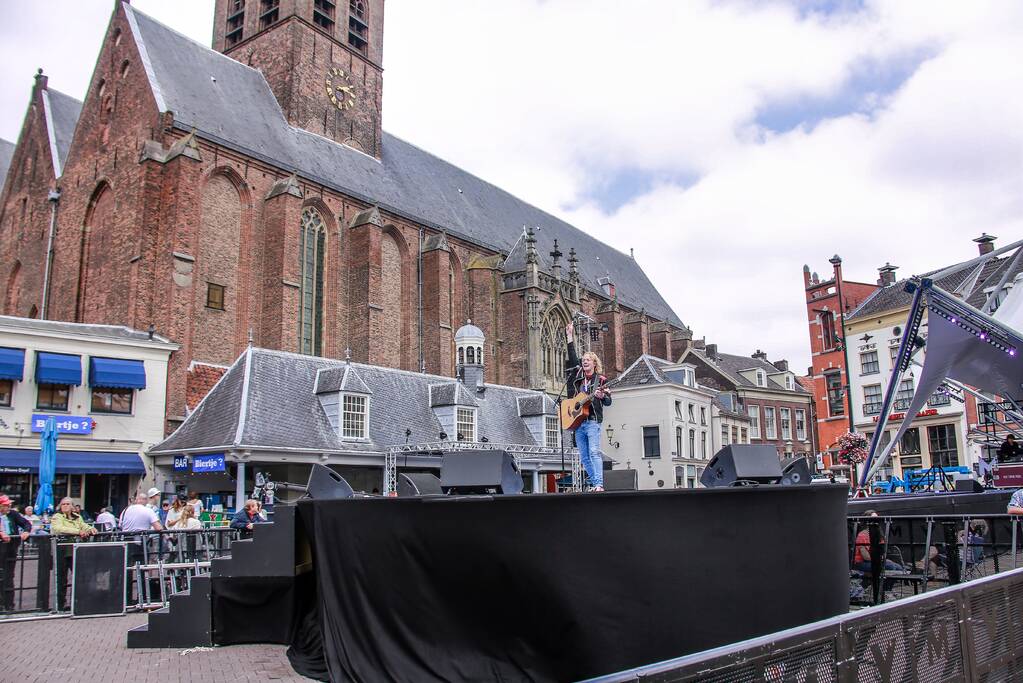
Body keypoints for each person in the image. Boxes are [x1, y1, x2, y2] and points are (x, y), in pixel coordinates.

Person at [565, 322, 612, 492]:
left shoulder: (600, 380)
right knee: (584, 457)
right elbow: (571, 355)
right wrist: (570, 335)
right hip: (579, 422)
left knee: (594, 452)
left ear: (594, 363)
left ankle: (599, 484)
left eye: (587, 360)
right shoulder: (578, 378)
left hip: (592, 421)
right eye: (583, 360)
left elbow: (608, 402)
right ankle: (595, 483)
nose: (584, 362)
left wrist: (602, 396)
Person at [49, 497, 96, 610]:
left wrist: (91, 529)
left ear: (72, 506)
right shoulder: (57, 517)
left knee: (78, 577)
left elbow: (84, 526)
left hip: (75, 549)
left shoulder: (77, 517)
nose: (65, 506)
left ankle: (77, 602)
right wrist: (78, 532)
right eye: (63, 504)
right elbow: (59, 528)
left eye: (67, 504)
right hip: (61, 550)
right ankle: (60, 604)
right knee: (61, 578)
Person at [0, 494, 32, 612]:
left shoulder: (13, 514)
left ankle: (9, 604)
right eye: (5, 505)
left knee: (9, 575)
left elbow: (26, 523)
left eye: (9, 505)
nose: (8, 507)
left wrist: (26, 531)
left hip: (10, 548)